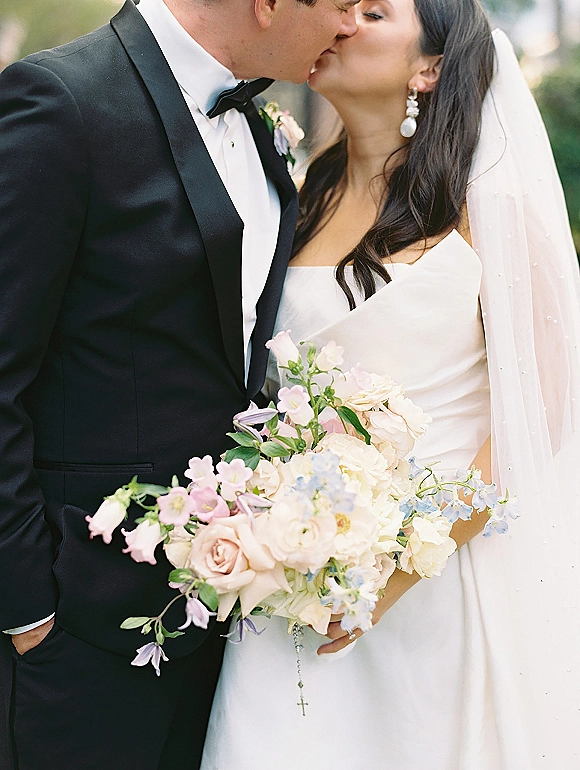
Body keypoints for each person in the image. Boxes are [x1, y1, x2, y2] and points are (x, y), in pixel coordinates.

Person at [201, 0, 580, 767]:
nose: (339, 20)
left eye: (372, 12)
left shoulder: (488, 207)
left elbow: (533, 422)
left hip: (431, 587)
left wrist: (396, 566)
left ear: (429, 68)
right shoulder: (300, 191)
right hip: (292, 579)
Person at [0, 0, 360, 767]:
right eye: (340, 4)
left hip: (214, 625)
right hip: (75, 632)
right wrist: (27, 608)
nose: (352, 25)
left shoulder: (258, 124)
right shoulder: (61, 102)